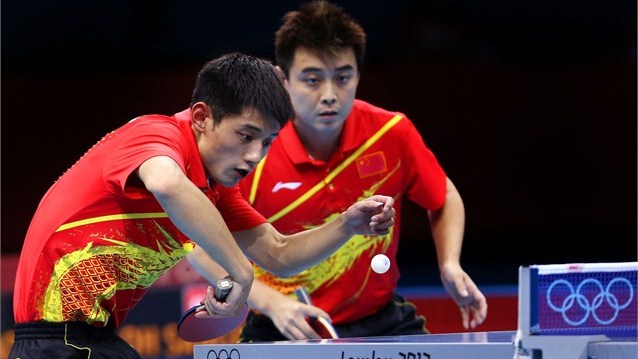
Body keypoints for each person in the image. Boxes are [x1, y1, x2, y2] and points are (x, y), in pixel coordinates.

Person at [9, 52, 396, 358]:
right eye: (246, 135)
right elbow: (166, 182)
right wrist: (240, 272)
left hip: (95, 338)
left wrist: (346, 225)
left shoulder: (216, 191)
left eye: (267, 142)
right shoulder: (155, 134)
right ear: (201, 118)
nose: (254, 155)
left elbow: (280, 253)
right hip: (53, 340)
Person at [236, 1, 488, 342]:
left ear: (358, 74)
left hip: (379, 319)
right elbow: (203, 245)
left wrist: (450, 264)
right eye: (312, 79)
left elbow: (442, 196)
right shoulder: (256, 147)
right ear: (283, 80)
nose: (329, 95)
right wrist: (272, 303)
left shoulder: (391, 133)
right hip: (283, 324)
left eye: (343, 77)